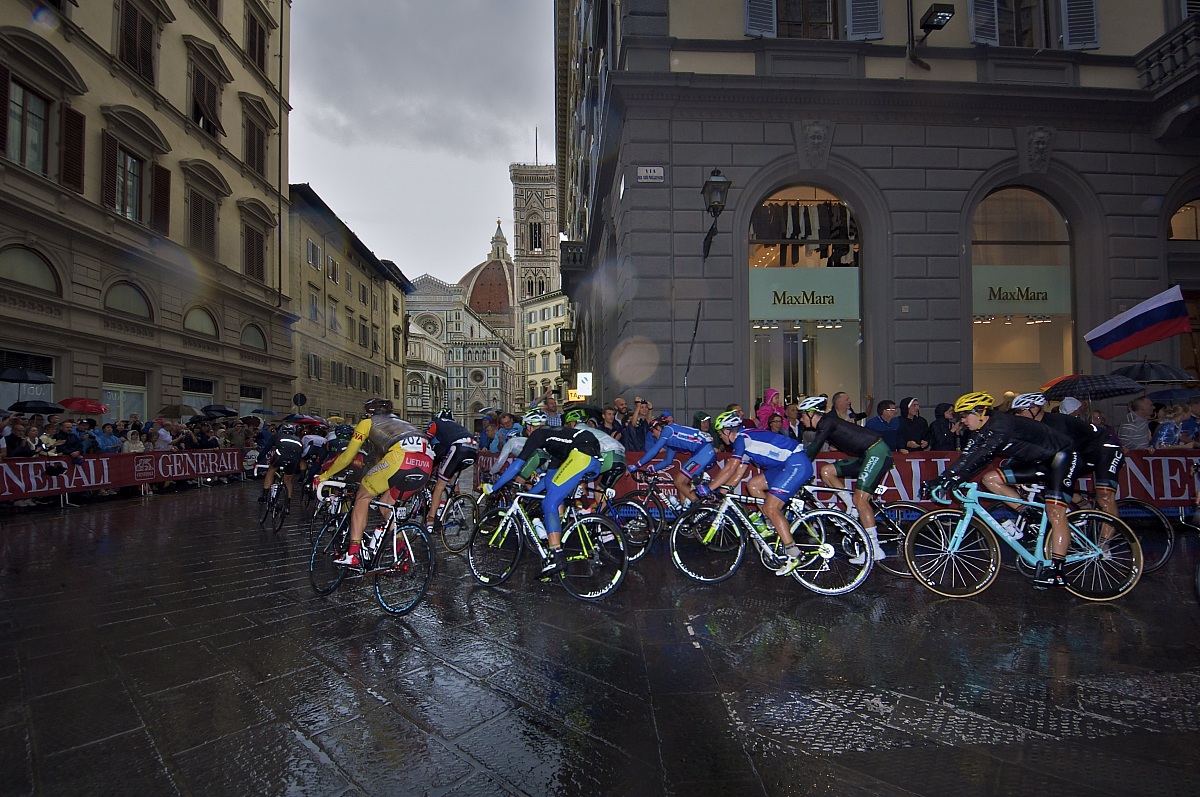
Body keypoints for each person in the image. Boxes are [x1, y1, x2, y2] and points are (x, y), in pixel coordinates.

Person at [923, 392, 1076, 588]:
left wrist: (955, 479)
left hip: (1062, 458)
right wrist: (941, 479)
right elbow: (969, 456)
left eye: (964, 415)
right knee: (990, 479)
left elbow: (985, 455)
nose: (962, 421)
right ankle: (1031, 516)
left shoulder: (1001, 424)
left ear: (980, 412)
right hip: (1039, 461)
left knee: (1056, 512)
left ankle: (1057, 572)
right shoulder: (982, 429)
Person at [318, 398, 435, 569]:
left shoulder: (367, 422)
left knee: (363, 497)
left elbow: (347, 457)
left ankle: (353, 553)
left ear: (370, 413)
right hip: (426, 462)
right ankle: (401, 549)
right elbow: (380, 459)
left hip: (401, 458)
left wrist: (324, 476)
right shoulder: (401, 422)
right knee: (386, 504)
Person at [484, 408, 602, 577]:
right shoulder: (556, 444)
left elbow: (516, 466)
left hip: (582, 454)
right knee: (553, 492)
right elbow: (548, 480)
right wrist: (528, 497)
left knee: (549, 502)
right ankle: (554, 541)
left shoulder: (538, 435)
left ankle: (556, 555)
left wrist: (494, 488)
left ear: (530, 427)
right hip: (591, 455)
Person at [705, 410, 814, 576]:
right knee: (753, 485)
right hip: (785, 465)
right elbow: (739, 473)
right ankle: (771, 524)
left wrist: (708, 488)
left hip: (795, 463)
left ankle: (794, 554)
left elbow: (729, 468)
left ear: (728, 430)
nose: (720, 437)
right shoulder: (746, 440)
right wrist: (723, 490)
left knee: (771, 507)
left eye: (720, 433)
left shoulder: (742, 439)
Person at [1011, 392, 1126, 527]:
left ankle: (1105, 544)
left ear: (1034, 408)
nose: (1016, 416)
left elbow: (1057, 454)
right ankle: (1081, 503)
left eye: (1019, 411)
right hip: (1080, 453)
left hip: (1105, 450)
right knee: (1051, 478)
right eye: (1014, 412)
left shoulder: (1056, 422)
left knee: (1104, 498)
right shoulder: (1032, 427)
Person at [802, 395, 891, 563]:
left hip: (876, 453)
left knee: (861, 499)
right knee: (827, 471)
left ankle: (874, 549)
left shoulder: (825, 422)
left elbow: (814, 447)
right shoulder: (827, 423)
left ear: (811, 414)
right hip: (867, 455)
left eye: (803, 415)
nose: (801, 419)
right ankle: (850, 504)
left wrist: (799, 468)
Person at [630, 410, 716, 509]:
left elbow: (654, 450)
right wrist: (650, 470)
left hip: (703, 452)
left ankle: (699, 508)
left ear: (658, 427)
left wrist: (636, 465)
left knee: (678, 481)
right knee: (681, 483)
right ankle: (685, 511)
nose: (653, 435)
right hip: (704, 452)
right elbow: (667, 461)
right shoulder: (670, 442)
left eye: (652, 431)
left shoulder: (668, 430)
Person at [424, 409, 478, 533]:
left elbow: (426, 438)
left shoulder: (436, 422)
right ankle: (456, 497)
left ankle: (431, 521)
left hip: (459, 447)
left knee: (439, 485)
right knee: (449, 471)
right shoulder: (455, 425)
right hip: (473, 447)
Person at [564, 408, 625, 506]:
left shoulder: (576, 431)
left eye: (568, 424)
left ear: (572, 422)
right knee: (601, 491)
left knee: (578, 474)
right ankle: (604, 518)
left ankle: (586, 507)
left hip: (609, 455)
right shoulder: (592, 429)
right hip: (621, 457)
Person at [260, 422, 303, 511]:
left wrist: (257, 460)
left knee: (271, 470)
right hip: (294, 458)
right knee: (288, 480)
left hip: (281, 455)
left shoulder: (276, 436)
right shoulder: (298, 439)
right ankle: (287, 505)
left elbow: (266, 449)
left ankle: (264, 494)